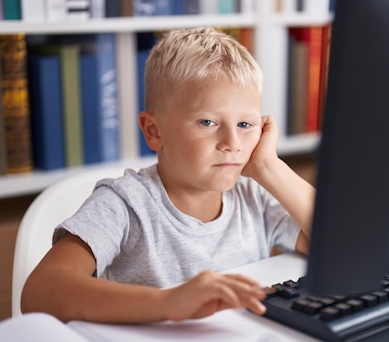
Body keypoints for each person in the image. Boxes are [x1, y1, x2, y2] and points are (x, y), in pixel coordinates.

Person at [21, 27, 316, 324]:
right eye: (208, 121)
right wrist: (169, 301)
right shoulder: (125, 205)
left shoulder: (254, 196)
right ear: (154, 131)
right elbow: (39, 293)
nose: (232, 143)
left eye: (245, 124)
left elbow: (343, 248)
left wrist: (269, 166)